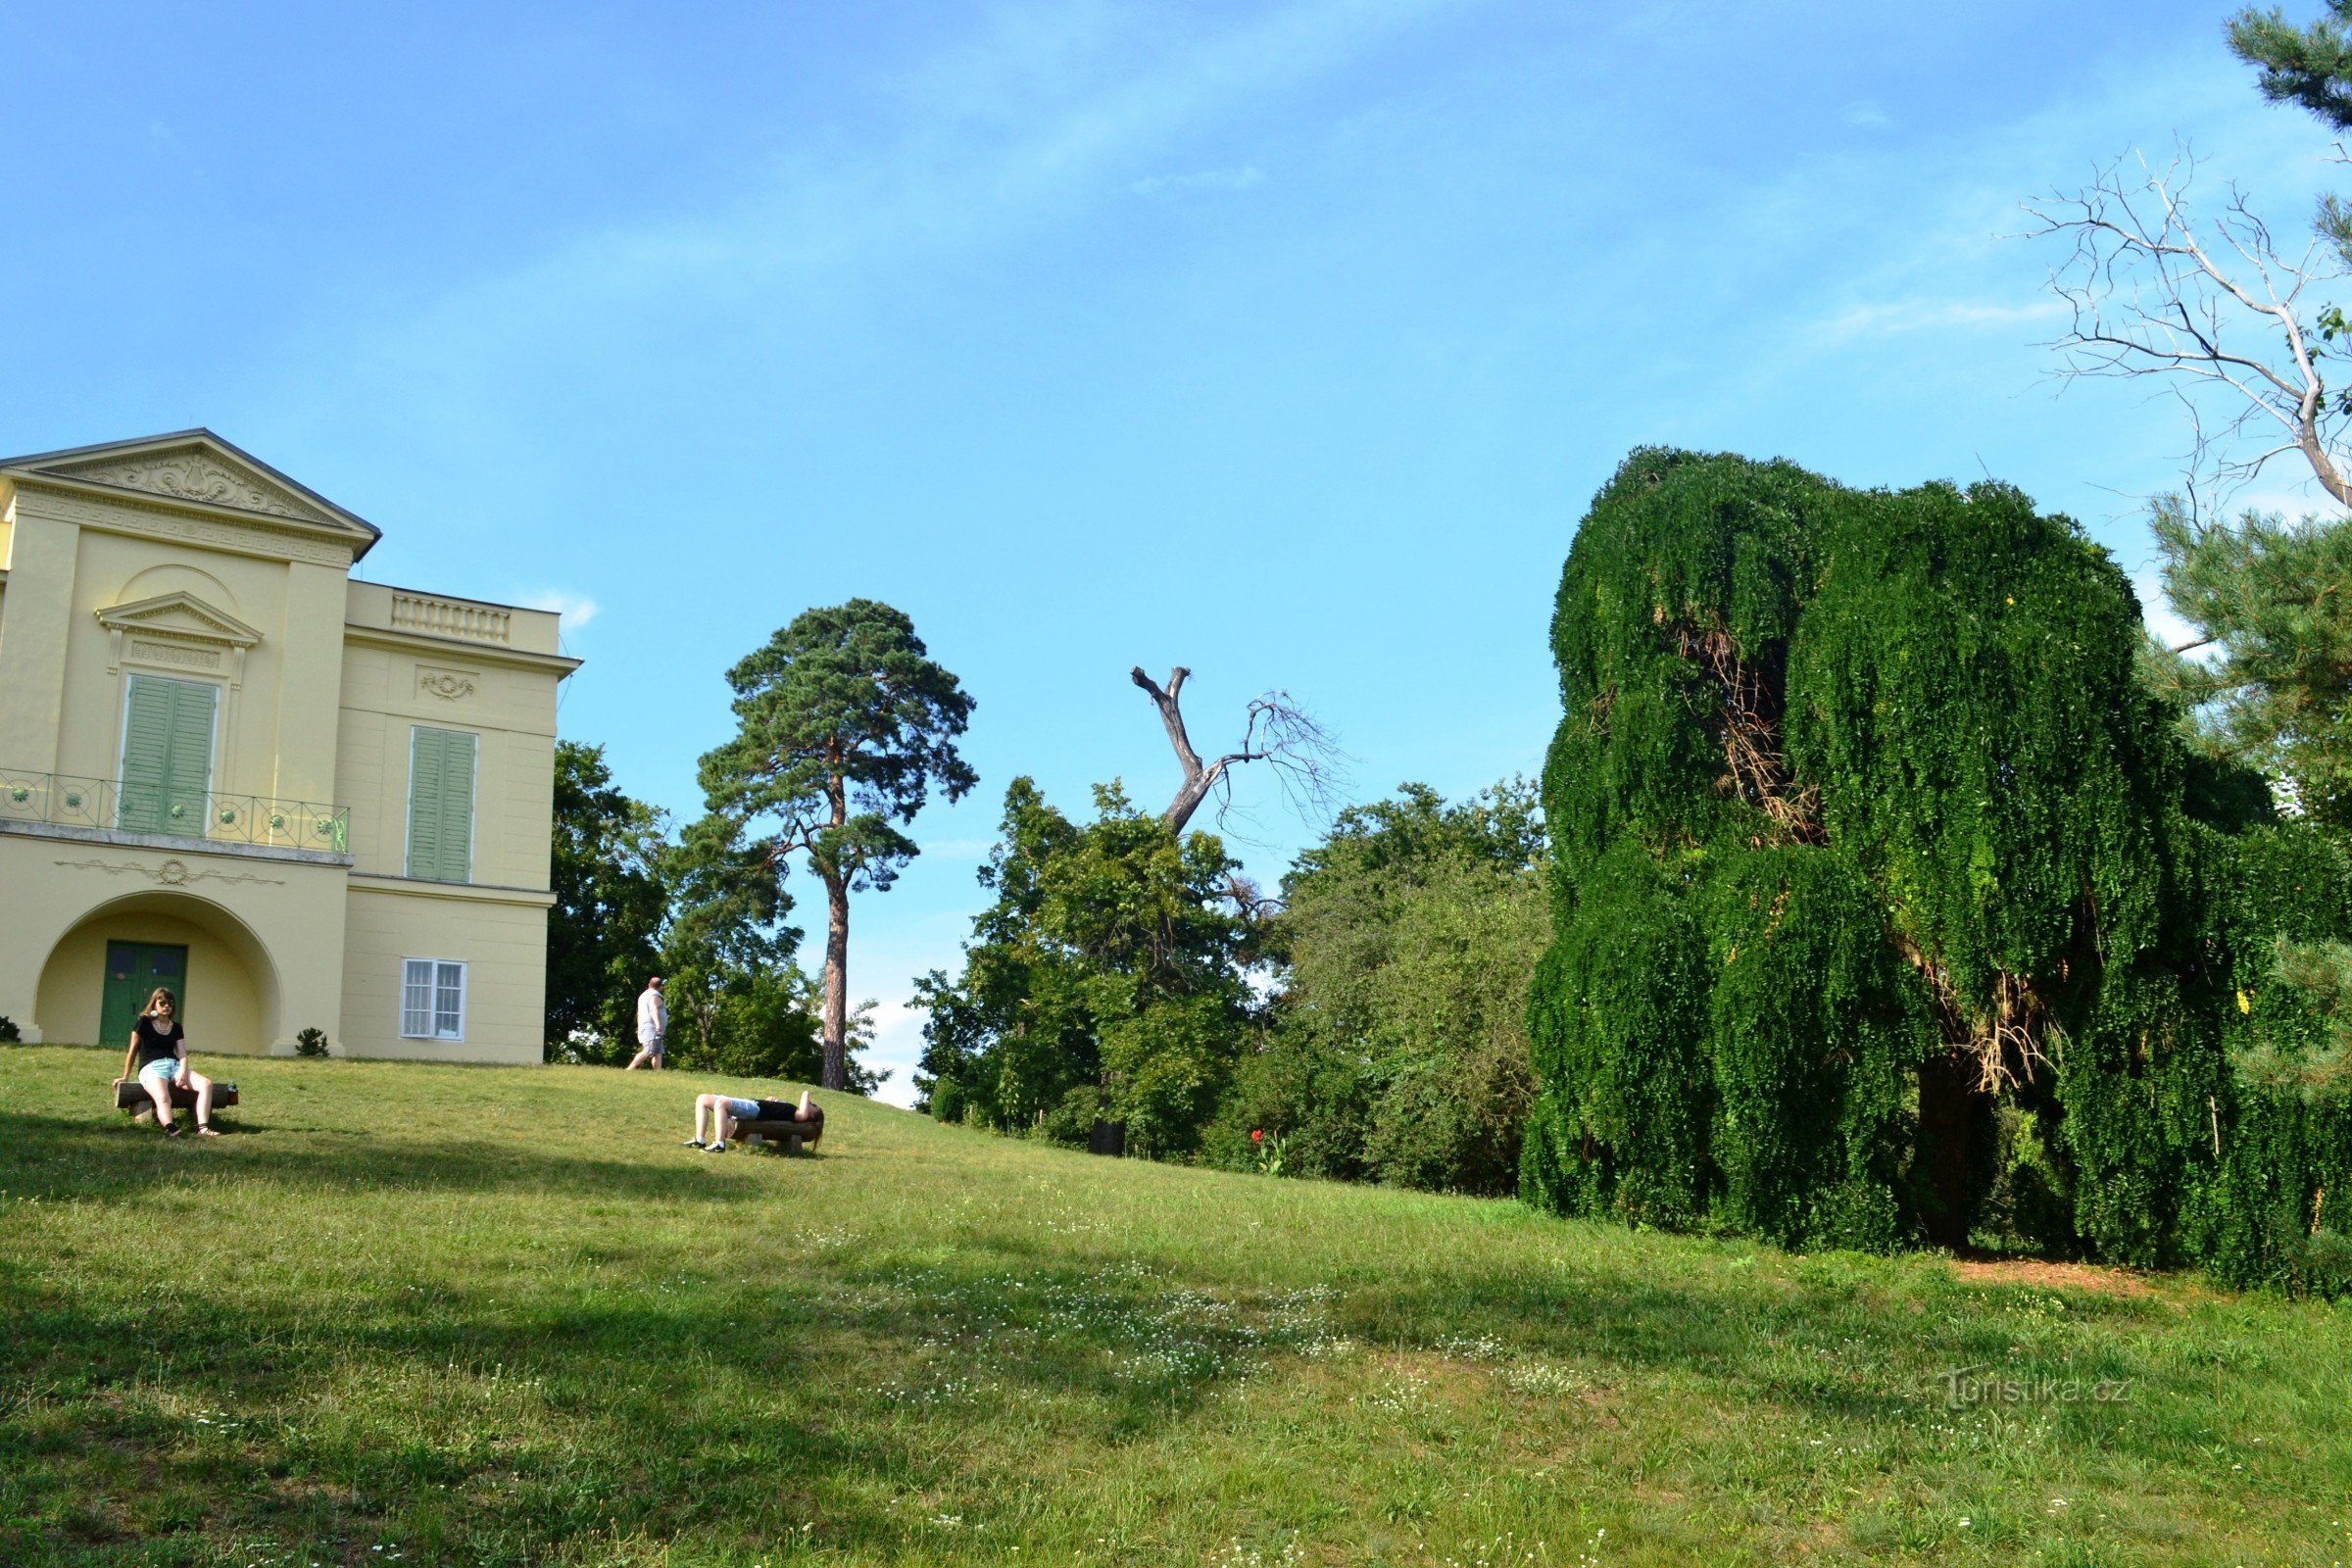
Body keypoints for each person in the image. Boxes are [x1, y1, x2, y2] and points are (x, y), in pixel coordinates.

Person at [112, 987, 219, 1137]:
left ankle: (203, 1128)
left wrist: (182, 1070)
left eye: (170, 1003)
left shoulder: (176, 1027)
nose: (166, 1006)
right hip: (151, 1067)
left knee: (206, 1084)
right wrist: (125, 1076)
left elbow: (182, 1053)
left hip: (173, 1066)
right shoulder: (144, 1022)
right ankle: (171, 1128)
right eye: (162, 1002)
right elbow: (132, 1050)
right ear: (154, 1004)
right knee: (163, 1097)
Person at [684, 1090, 820, 1153]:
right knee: (702, 1098)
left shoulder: (799, 1114)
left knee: (721, 1103)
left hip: (755, 1110)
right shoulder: (793, 1111)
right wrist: (772, 1101)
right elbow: (776, 1111)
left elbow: (802, 1115)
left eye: (812, 1107)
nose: (810, 1104)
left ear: (812, 1115)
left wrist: (806, 1093)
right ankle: (699, 1139)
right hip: (752, 1103)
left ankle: (719, 1144)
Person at [624, 976, 666, 1070]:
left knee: (657, 1051)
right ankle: (629, 1069)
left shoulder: (643, 995)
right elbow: (653, 1008)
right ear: (661, 987)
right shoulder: (655, 995)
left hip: (646, 1027)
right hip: (652, 1028)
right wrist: (658, 1025)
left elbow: (639, 1013)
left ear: (649, 985)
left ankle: (659, 1075)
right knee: (649, 1050)